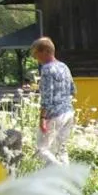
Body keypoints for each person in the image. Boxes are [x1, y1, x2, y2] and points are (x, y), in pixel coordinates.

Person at [31, 36, 76, 165]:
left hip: (54, 115)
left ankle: (59, 172)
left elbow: (47, 96)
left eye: (36, 54)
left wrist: (42, 118)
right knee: (61, 149)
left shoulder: (47, 69)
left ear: (45, 51)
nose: (35, 58)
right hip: (68, 113)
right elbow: (73, 89)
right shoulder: (64, 66)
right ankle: (67, 181)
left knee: (41, 149)